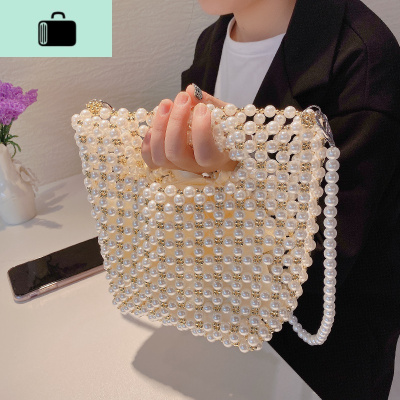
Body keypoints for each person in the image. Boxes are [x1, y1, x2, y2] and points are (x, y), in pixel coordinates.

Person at [141, 0, 400, 398]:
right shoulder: (212, 42)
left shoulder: (363, 60)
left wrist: (243, 170)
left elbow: (325, 261)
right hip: (223, 330)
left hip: (317, 360)